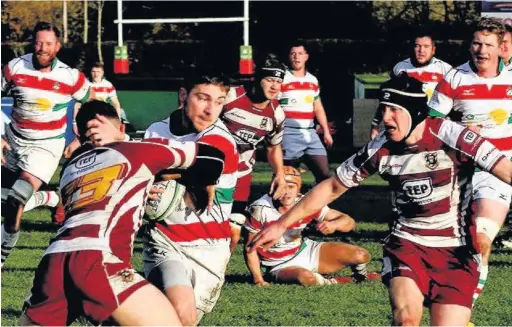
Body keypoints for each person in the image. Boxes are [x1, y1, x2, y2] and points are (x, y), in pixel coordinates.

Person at [248, 74, 512, 326]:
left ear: (416, 112)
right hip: (408, 246)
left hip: (456, 250)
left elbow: (507, 171)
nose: (385, 118)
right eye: (383, 109)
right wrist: (281, 224)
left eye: (394, 109)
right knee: (406, 320)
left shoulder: (455, 137)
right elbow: (333, 187)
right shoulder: (380, 147)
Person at [19, 99, 226, 326]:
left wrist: (150, 177)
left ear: (79, 133)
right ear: (121, 128)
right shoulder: (136, 151)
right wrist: (193, 180)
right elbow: (213, 158)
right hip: (98, 259)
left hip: (54, 261)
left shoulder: (70, 168)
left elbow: (111, 169)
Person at [142, 71, 239, 326]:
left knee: (180, 321)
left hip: (210, 250)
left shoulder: (220, 137)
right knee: (180, 312)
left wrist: (158, 175)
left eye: (219, 102)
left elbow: (207, 164)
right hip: (164, 240)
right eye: (203, 98)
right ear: (183, 95)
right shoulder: (155, 132)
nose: (211, 111)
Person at [428, 17, 512, 307]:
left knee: (481, 237)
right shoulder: (454, 78)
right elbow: (431, 122)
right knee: (453, 245)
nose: (481, 49)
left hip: (499, 172)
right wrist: (459, 132)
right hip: (460, 170)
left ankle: (465, 307)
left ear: (501, 48)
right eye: (476, 42)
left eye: (488, 44)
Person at [1, 22, 92, 267]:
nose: (43, 48)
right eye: (39, 43)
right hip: (12, 141)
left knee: (16, 199)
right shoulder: (15, 67)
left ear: (57, 47)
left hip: (45, 147)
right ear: (33, 43)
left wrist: (79, 138)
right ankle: (50, 198)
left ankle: (2, 256)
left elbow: (92, 105)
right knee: (6, 201)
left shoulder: (70, 77)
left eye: (48, 44)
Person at [244, 166, 379, 286]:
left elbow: (349, 222)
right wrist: (258, 280)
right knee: (307, 278)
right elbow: (250, 249)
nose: (286, 192)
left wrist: (334, 224)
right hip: (277, 264)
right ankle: (336, 281)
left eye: (291, 187)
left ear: (298, 189)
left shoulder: (305, 203)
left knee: (361, 255)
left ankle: (362, 277)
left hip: (305, 250)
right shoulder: (260, 209)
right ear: (273, 187)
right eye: (282, 186)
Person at [221, 55, 287, 253]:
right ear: (257, 79)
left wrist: (280, 174)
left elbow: (273, 147)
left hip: (241, 174)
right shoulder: (232, 96)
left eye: (279, 81)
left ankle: (217, 274)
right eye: (270, 80)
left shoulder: (277, 114)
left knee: (233, 230)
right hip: (212, 168)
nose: (275, 86)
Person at [369, 30, 452, 140]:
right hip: (407, 128)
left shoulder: (446, 70)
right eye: (417, 46)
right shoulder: (400, 68)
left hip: (436, 128)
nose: (421, 51)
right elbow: (388, 99)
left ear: (433, 49)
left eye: (426, 46)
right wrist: (375, 125)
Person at [279, 40, 333, 184]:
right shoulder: (282, 78)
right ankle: (283, 205)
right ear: (289, 56)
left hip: (310, 133)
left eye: (300, 53)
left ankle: (316, 203)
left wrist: (326, 131)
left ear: (306, 57)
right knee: (286, 177)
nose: (296, 57)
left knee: (324, 176)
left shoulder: (312, 80)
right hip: (288, 133)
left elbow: (318, 107)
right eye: (293, 53)